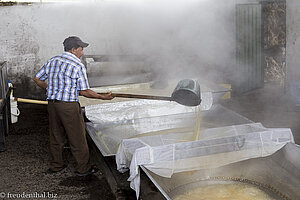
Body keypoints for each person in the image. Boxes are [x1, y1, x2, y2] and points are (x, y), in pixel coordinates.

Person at [33, 36, 114, 176]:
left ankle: (56, 165)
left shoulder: (53, 60)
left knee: (56, 135)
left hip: (52, 105)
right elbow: (84, 92)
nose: (82, 53)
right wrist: (103, 97)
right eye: (81, 49)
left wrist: (49, 88)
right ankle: (83, 168)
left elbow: (37, 78)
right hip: (68, 106)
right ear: (73, 49)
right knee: (77, 137)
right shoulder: (77, 65)